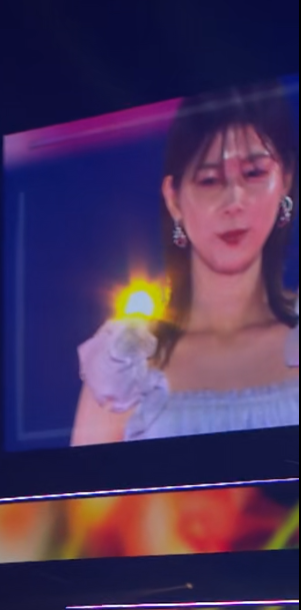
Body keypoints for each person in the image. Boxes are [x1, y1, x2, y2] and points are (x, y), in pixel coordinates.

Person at [71, 80, 300, 446]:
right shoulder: (124, 363)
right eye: (209, 180)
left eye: (254, 173)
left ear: (285, 179)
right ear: (174, 198)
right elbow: (83, 484)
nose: (234, 201)